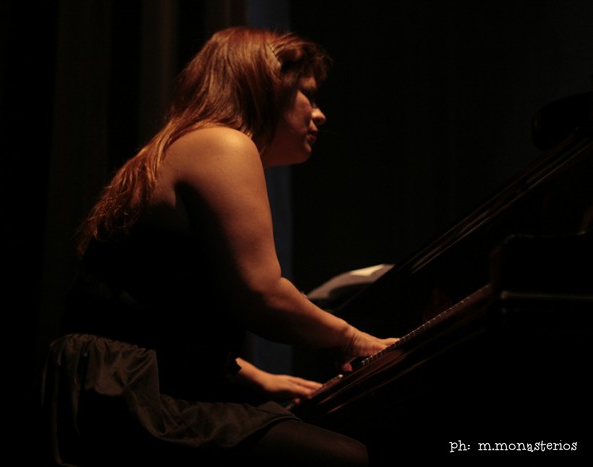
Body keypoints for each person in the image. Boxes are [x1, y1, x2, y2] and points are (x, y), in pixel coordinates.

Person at [40, 25, 398, 466]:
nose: (320, 114)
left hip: (107, 381)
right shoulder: (221, 143)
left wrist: (259, 378)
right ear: (264, 86)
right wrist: (353, 338)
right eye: (308, 94)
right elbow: (261, 293)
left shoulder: (185, 144)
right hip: (126, 394)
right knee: (346, 458)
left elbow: (154, 314)